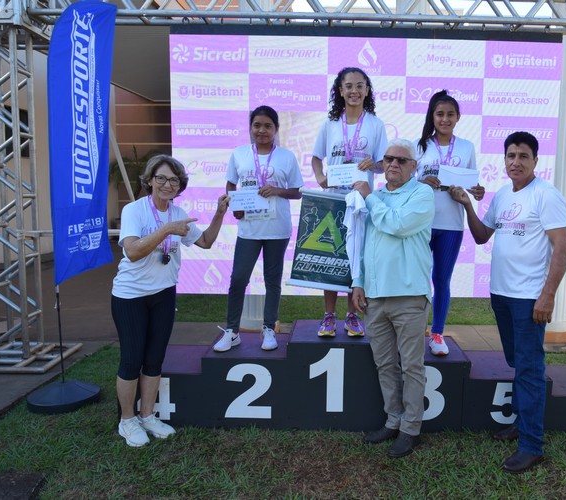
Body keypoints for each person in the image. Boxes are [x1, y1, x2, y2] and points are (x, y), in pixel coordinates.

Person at [449, 131, 566, 473]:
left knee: (530, 369)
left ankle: (532, 445)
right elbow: (482, 235)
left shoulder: (546, 195)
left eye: (523, 156)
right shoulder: (502, 196)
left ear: (536, 161)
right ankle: (521, 422)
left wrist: (547, 295)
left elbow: (563, 247)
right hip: (502, 294)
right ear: (504, 160)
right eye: (510, 156)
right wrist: (467, 205)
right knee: (518, 363)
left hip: (529, 298)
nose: (516, 161)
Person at [112, 154, 229, 448]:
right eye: (161, 178)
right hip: (131, 296)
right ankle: (127, 421)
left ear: (180, 185)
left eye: (174, 180)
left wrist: (219, 214)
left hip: (163, 293)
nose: (167, 184)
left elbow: (205, 242)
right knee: (131, 359)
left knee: (154, 359)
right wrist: (165, 229)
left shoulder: (179, 213)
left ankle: (147, 415)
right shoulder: (134, 211)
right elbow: (133, 252)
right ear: (150, 180)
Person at [351, 138, 435, 458]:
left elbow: (397, 225)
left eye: (401, 160)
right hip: (375, 296)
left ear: (414, 167)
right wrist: (358, 283)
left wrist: (370, 197)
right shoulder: (377, 196)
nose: (393, 164)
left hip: (409, 296)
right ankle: (393, 419)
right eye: (388, 159)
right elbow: (364, 243)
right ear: (381, 163)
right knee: (385, 364)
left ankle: (411, 428)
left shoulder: (422, 193)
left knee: (411, 366)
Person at [213, 106, 303, 353]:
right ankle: (232, 331)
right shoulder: (240, 154)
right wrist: (235, 206)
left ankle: (269, 329)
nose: (262, 130)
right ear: (250, 128)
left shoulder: (286, 157)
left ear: (276, 129)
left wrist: (277, 190)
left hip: (277, 229)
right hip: (249, 228)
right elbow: (232, 183)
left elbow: (297, 191)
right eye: (257, 125)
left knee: (272, 281)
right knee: (238, 278)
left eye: (267, 126)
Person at [312, 67, 388, 338]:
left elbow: (384, 164)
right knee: (331, 257)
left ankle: (352, 316)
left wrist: (374, 164)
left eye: (360, 86)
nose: (354, 91)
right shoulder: (330, 124)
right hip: (333, 199)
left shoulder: (376, 124)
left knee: (356, 258)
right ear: (340, 91)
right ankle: (328, 316)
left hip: (360, 201)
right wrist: (321, 177)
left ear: (367, 90)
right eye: (349, 86)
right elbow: (316, 157)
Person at [414, 90, 484, 356]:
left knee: (441, 279)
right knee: (417, 280)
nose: (445, 119)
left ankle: (437, 334)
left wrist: (477, 192)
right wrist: (421, 182)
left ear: (458, 117)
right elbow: (404, 183)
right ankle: (412, 331)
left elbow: (472, 183)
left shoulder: (466, 147)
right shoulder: (419, 145)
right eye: (439, 114)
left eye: (450, 114)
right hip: (420, 223)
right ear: (432, 116)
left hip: (452, 224)